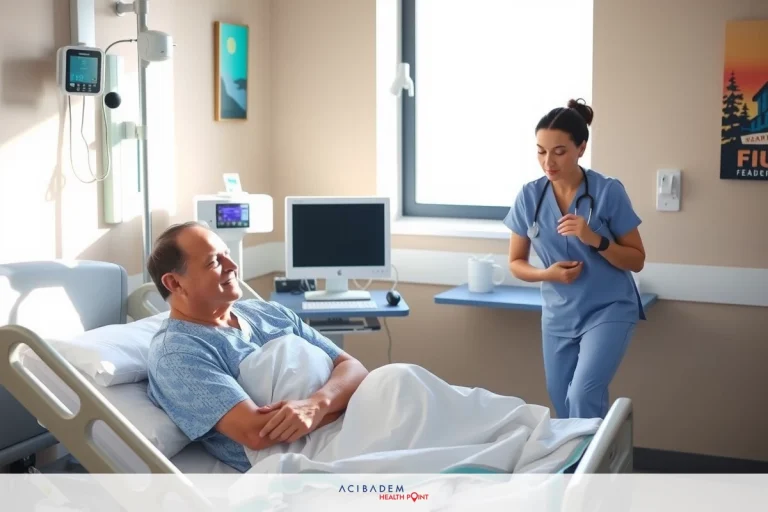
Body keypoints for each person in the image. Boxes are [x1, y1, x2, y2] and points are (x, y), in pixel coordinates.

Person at [144, 221, 369, 472]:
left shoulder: (269, 312)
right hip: (311, 452)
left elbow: (353, 367)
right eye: (214, 262)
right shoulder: (178, 353)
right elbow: (257, 433)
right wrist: (342, 401)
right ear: (175, 283)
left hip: (358, 416)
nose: (233, 266)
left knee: (404, 378)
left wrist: (318, 404)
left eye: (227, 255)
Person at [503, 98, 646, 420]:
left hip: (608, 307)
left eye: (559, 151)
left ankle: (590, 470)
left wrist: (594, 239)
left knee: (583, 394)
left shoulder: (608, 192)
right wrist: (547, 275)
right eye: (540, 151)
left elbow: (636, 260)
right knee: (562, 401)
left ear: (581, 148)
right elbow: (516, 262)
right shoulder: (529, 195)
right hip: (559, 313)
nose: (548, 162)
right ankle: (577, 466)